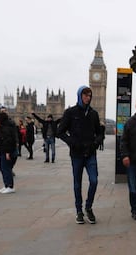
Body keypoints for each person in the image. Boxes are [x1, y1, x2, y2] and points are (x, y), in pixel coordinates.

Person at [57, 86, 104, 224]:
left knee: (94, 181)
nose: (88, 98)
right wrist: (72, 142)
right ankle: (79, 211)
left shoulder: (93, 114)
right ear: (80, 95)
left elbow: (99, 132)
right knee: (77, 184)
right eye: (85, 95)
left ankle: (88, 207)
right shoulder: (70, 112)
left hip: (90, 153)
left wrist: (96, 142)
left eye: (90, 95)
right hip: (76, 154)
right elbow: (60, 131)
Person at [0, 112, 18, 194]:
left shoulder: (6, 127)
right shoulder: (6, 126)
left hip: (7, 151)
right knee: (3, 169)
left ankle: (10, 186)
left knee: (6, 169)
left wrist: (7, 152)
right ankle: (6, 185)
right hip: (4, 150)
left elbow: (8, 140)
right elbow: (3, 139)